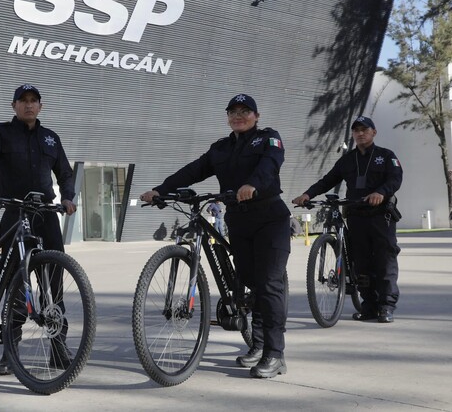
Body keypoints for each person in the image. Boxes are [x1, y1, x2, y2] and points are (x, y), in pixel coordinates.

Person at [140, 93, 291, 379]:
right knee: (249, 282)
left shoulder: (269, 138)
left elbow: (269, 166)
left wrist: (251, 185)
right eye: (233, 112)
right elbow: (194, 171)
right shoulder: (220, 148)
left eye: (245, 111)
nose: (238, 116)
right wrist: (161, 189)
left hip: (270, 218)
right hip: (239, 219)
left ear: (256, 117)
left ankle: (275, 353)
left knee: (268, 284)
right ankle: (258, 346)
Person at [0, 83, 77, 375]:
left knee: (53, 284)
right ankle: (10, 350)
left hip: (46, 215)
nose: (29, 105)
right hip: (15, 212)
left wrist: (67, 196)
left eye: (34, 101)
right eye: (23, 101)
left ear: (40, 106)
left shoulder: (51, 138)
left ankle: (57, 348)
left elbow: (65, 174)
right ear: (14, 105)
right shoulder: (2, 132)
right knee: (16, 283)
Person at [292, 116, 403, 323]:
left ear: (373, 132)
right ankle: (369, 306)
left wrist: (381, 192)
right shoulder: (347, 160)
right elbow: (328, 180)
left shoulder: (386, 156)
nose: (360, 133)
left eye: (364, 129)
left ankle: (386, 306)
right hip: (356, 215)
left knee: (384, 260)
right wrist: (307, 194)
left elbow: (395, 179)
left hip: (380, 216)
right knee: (361, 262)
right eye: (356, 130)